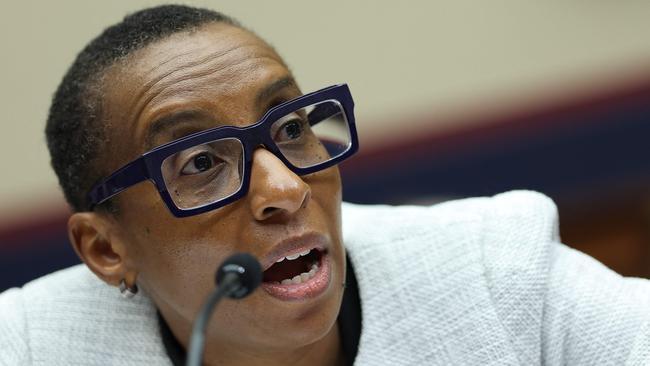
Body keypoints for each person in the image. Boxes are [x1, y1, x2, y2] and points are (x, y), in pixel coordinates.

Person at [1, 4, 649, 366]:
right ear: (106, 250)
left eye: (290, 128)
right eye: (200, 163)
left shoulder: (493, 274)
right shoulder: (32, 348)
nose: (284, 190)